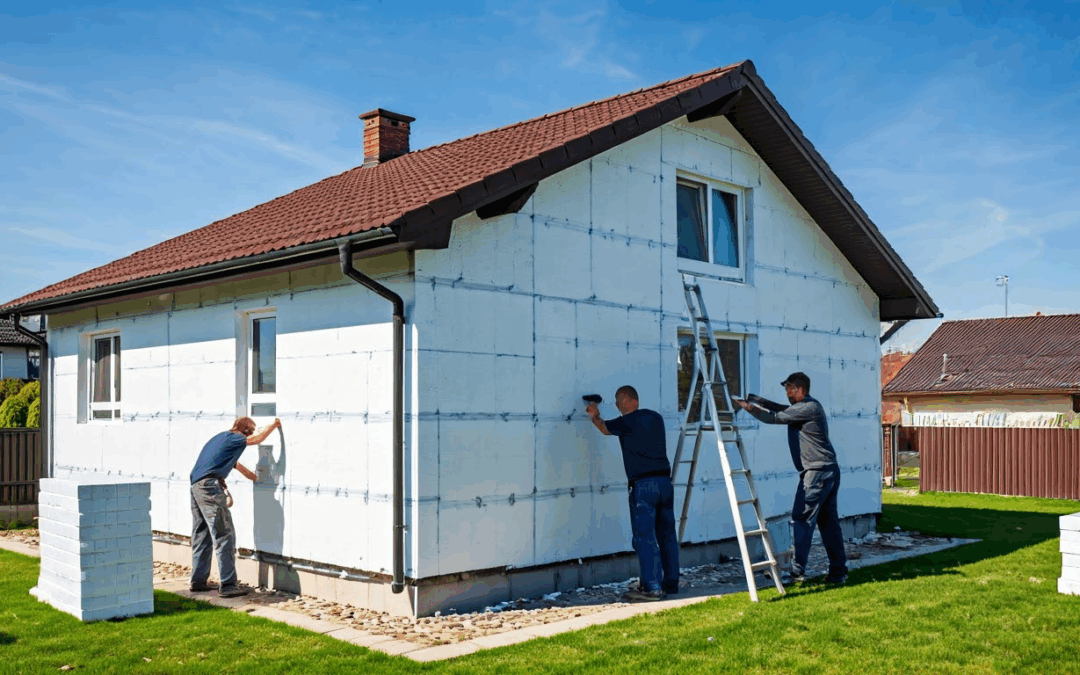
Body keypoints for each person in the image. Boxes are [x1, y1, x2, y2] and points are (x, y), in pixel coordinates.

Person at [734, 372, 848, 584]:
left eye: (791, 389)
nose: (787, 392)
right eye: (786, 389)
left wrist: (748, 407)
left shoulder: (808, 407)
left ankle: (796, 571)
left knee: (802, 518)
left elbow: (774, 417)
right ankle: (838, 572)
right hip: (827, 470)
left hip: (816, 473)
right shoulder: (806, 407)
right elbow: (781, 409)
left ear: (802, 389)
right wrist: (760, 401)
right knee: (828, 524)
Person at [586, 386, 679, 601]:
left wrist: (594, 414)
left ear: (628, 400)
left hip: (644, 486)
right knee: (667, 535)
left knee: (645, 537)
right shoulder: (656, 418)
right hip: (665, 484)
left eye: (618, 402)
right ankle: (671, 583)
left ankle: (652, 587)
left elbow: (604, 428)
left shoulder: (626, 421)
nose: (617, 406)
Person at [189, 416, 281, 597]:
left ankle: (198, 582)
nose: (250, 435)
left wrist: (257, 478)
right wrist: (274, 425)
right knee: (224, 535)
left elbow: (243, 470)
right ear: (246, 431)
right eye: (250, 431)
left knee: (202, 535)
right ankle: (228, 585)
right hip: (208, 487)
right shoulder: (236, 438)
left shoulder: (223, 439)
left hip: (196, 486)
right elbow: (257, 440)